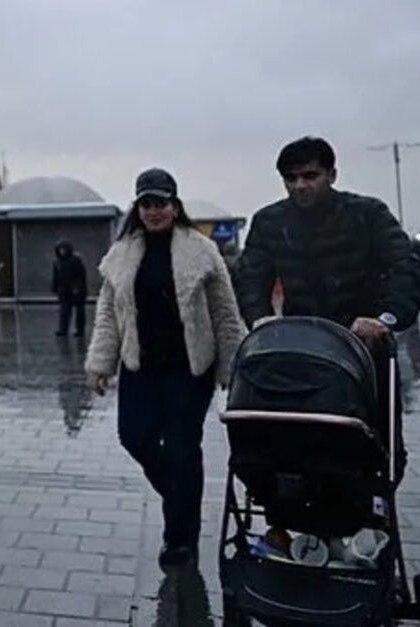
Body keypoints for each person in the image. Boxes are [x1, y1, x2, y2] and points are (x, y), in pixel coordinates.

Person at [233, 136, 420, 478]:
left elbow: (404, 267)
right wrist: (259, 319)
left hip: (364, 344)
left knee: (381, 444)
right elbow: (250, 276)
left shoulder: (368, 214)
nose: (300, 186)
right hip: (299, 346)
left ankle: (377, 491)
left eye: (309, 176)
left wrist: (386, 318)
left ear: (331, 174)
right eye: (291, 178)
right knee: (287, 438)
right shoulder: (270, 221)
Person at [86, 168, 246, 568]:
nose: (153, 211)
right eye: (146, 204)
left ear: (175, 206)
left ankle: (179, 540)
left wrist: (233, 368)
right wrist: (100, 362)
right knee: (134, 437)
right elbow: (108, 314)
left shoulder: (202, 251)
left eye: (161, 203)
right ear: (137, 208)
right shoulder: (121, 254)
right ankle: (181, 497)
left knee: (182, 449)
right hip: (139, 366)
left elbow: (225, 312)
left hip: (189, 369)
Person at [52, 240, 88, 336]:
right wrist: (55, 288)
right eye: (60, 249)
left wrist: (80, 288)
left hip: (76, 289)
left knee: (79, 311)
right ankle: (63, 329)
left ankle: (80, 330)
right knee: (64, 311)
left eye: (63, 249)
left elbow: (81, 275)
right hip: (64, 290)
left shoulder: (75, 260)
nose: (62, 251)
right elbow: (56, 277)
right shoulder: (57, 262)